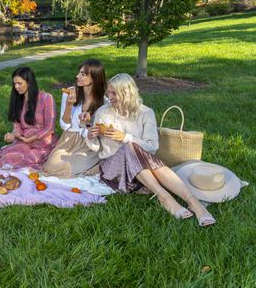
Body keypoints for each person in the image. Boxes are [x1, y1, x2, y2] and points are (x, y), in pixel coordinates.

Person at [86, 73, 215, 226]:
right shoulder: (103, 112)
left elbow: (152, 147)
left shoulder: (146, 113)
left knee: (130, 146)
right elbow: (98, 148)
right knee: (129, 147)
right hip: (112, 168)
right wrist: (91, 136)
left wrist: (125, 137)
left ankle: (193, 202)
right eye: (109, 92)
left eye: (114, 93)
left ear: (127, 94)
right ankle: (165, 197)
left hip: (141, 166)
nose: (109, 96)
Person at [42, 59, 107, 178]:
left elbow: (100, 132)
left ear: (94, 78)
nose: (77, 76)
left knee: (68, 167)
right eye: (79, 73)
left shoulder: (104, 102)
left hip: (89, 144)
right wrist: (68, 105)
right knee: (52, 165)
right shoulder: (69, 93)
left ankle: (92, 165)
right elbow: (64, 125)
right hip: (69, 140)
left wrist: (87, 124)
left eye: (83, 74)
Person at [0, 66, 58, 170]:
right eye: (14, 84)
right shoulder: (18, 101)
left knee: (27, 160)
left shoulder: (46, 98)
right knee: (7, 157)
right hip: (24, 141)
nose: (16, 87)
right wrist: (13, 135)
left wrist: (31, 139)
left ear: (29, 82)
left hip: (43, 143)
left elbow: (50, 128)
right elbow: (17, 126)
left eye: (19, 83)